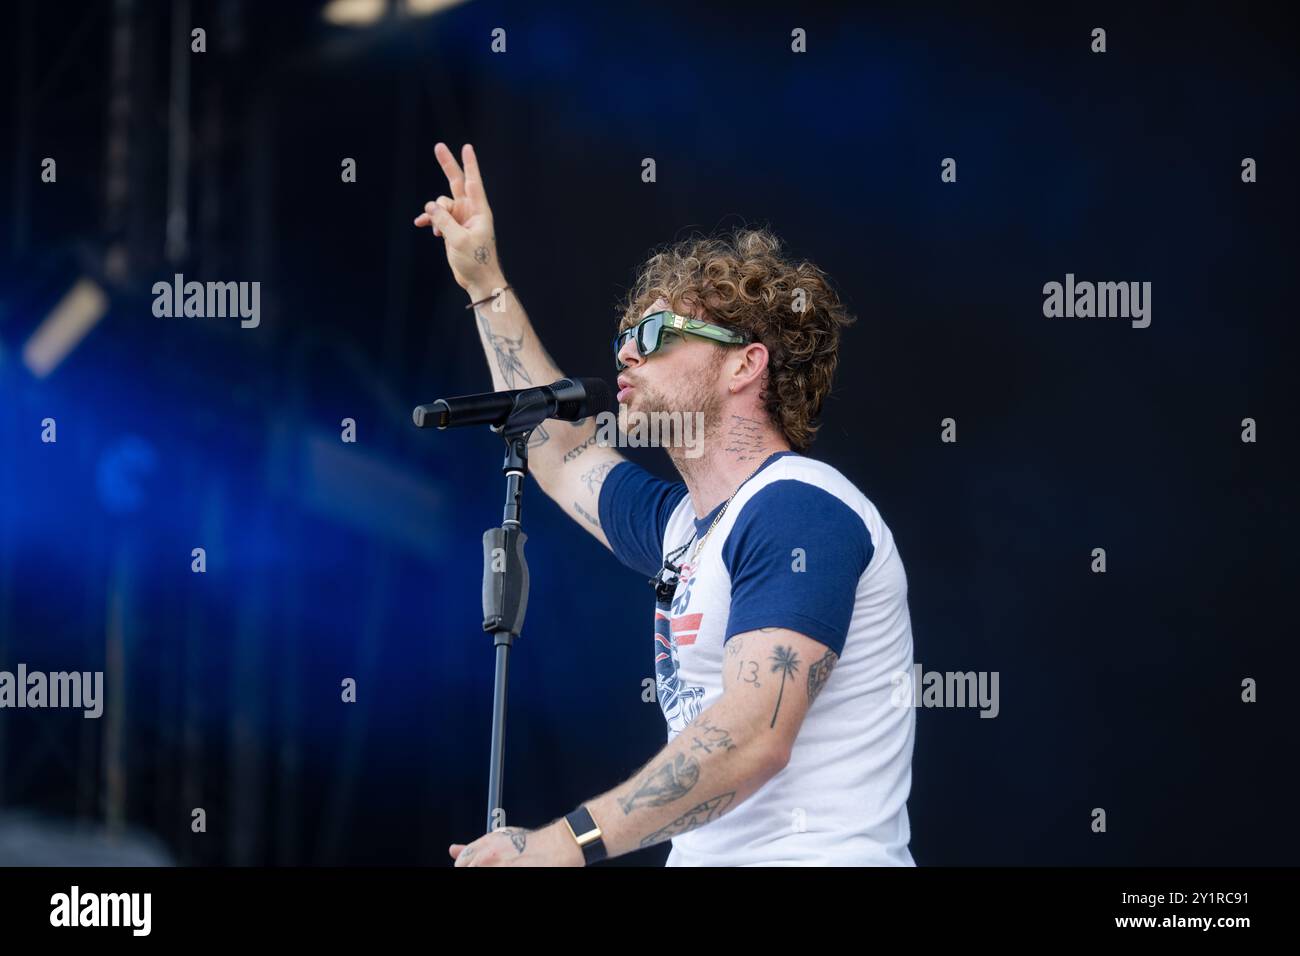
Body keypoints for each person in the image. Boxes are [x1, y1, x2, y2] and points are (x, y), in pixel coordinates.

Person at [415, 143, 916, 867]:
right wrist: (484, 281)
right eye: (624, 336)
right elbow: (561, 452)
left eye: (653, 335)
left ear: (746, 362)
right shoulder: (684, 529)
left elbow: (751, 738)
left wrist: (565, 844)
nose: (625, 353)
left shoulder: (800, 510)